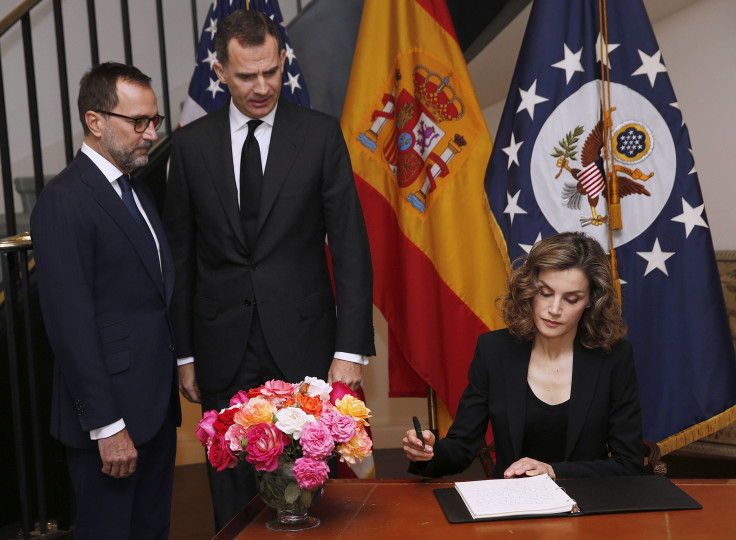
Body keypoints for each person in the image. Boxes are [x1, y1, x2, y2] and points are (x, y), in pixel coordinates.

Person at [163, 10, 374, 528]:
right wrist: (184, 352)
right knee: (231, 497)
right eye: (245, 76)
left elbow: (350, 247)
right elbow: (181, 257)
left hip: (304, 343)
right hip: (220, 347)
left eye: (270, 72)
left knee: (307, 496)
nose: (261, 87)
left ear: (283, 61)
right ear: (219, 72)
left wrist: (350, 351)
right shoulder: (190, 147)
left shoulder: (321, 136)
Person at [31, 62, 179, 539]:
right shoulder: (64, 200)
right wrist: (107, 426)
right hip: (110, 422)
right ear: (95, 122)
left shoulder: (137, 191)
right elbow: (69, 326)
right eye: (138, 122)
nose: (151, 133)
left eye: (154, 121)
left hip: (153, 410)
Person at [403, 232, 643, 479]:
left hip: (588, 503)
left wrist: (554, 471)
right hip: (513, 505)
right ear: (529, 290)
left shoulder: (614, 357)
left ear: (592, 301)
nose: (554, 309)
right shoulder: (494, 351)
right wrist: (429, 451)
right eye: (546, 293)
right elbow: (462, 447)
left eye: (571, 299)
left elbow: (629, 463)